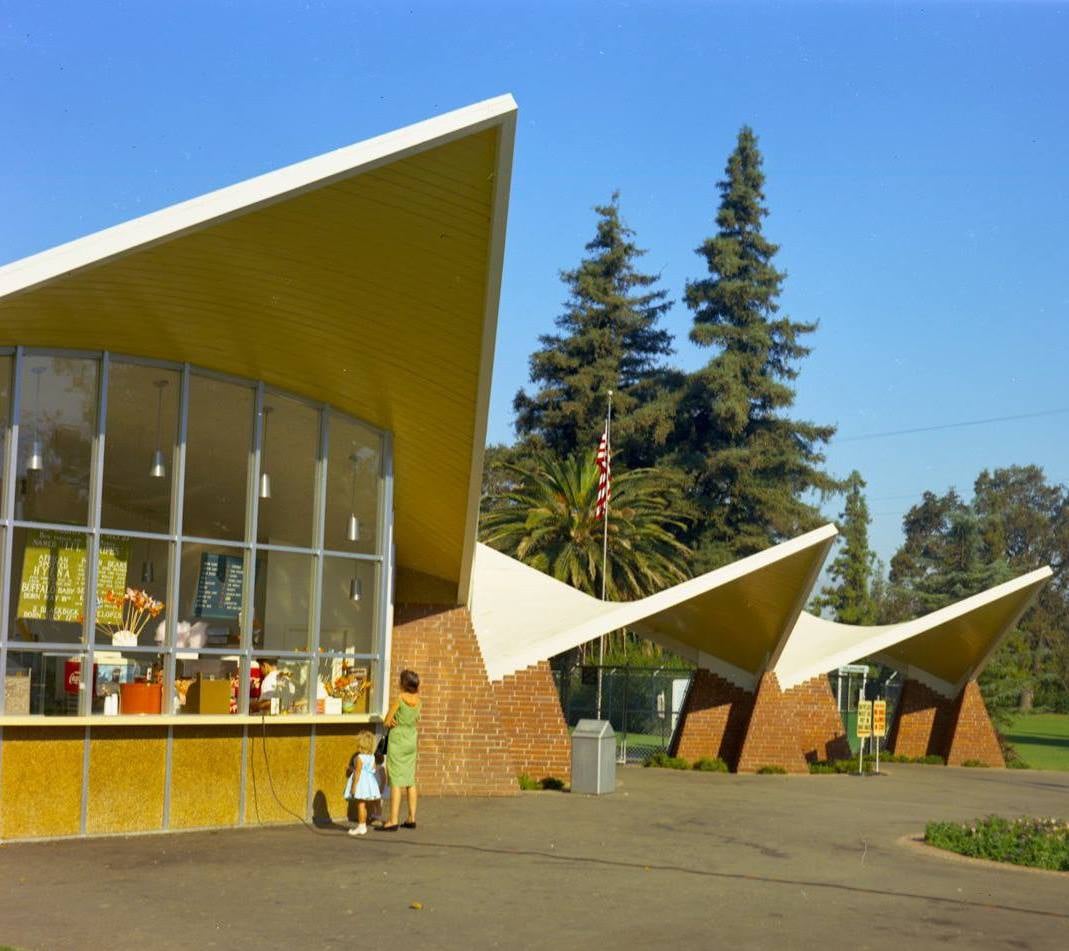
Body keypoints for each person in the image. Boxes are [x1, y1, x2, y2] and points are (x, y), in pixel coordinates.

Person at [378, 669, 420, 832]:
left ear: (403, 683)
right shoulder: (419, 700)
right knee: (410, 780)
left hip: (398, 741)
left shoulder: (400, 699)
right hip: (411, 739)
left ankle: (393, 820)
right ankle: (411, 818)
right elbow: (416, 719)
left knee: (395, 780)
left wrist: (392, 722)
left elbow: (387, 721)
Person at [344, 730, 382, 837]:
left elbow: (358, 772)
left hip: (361, 783)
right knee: (364, 804)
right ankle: (363, 825)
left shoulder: (359, 757)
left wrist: (354, 786)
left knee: (360, 804)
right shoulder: (372, 757)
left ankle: (361, 826)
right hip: (369, 782)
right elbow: (373, 769)